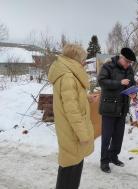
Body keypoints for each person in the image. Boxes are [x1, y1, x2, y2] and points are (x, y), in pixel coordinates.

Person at [48, 44, 94, 189]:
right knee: (69, 170)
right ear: (76, 59)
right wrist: (84, 135)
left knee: (73, 166)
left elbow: (72, 100)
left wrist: (86, 98)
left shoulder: (69, 74)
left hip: (71, 130)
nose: (84, 63)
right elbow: (72, 111)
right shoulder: (68, 77)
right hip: (73, 132)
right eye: (83, 59)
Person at [98, 47, 137, 173]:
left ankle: (113, 157)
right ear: (121, 57)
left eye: (130, 63)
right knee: (107, 136)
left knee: (118, 136)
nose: (128, 65)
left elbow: (132, 84)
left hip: (123, 107)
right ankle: (104, 161)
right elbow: (102, 81)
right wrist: (119, 82)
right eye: (127, 61)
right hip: (109, 107)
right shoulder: (108, 66)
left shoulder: (129, 69)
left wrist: (133, 93)